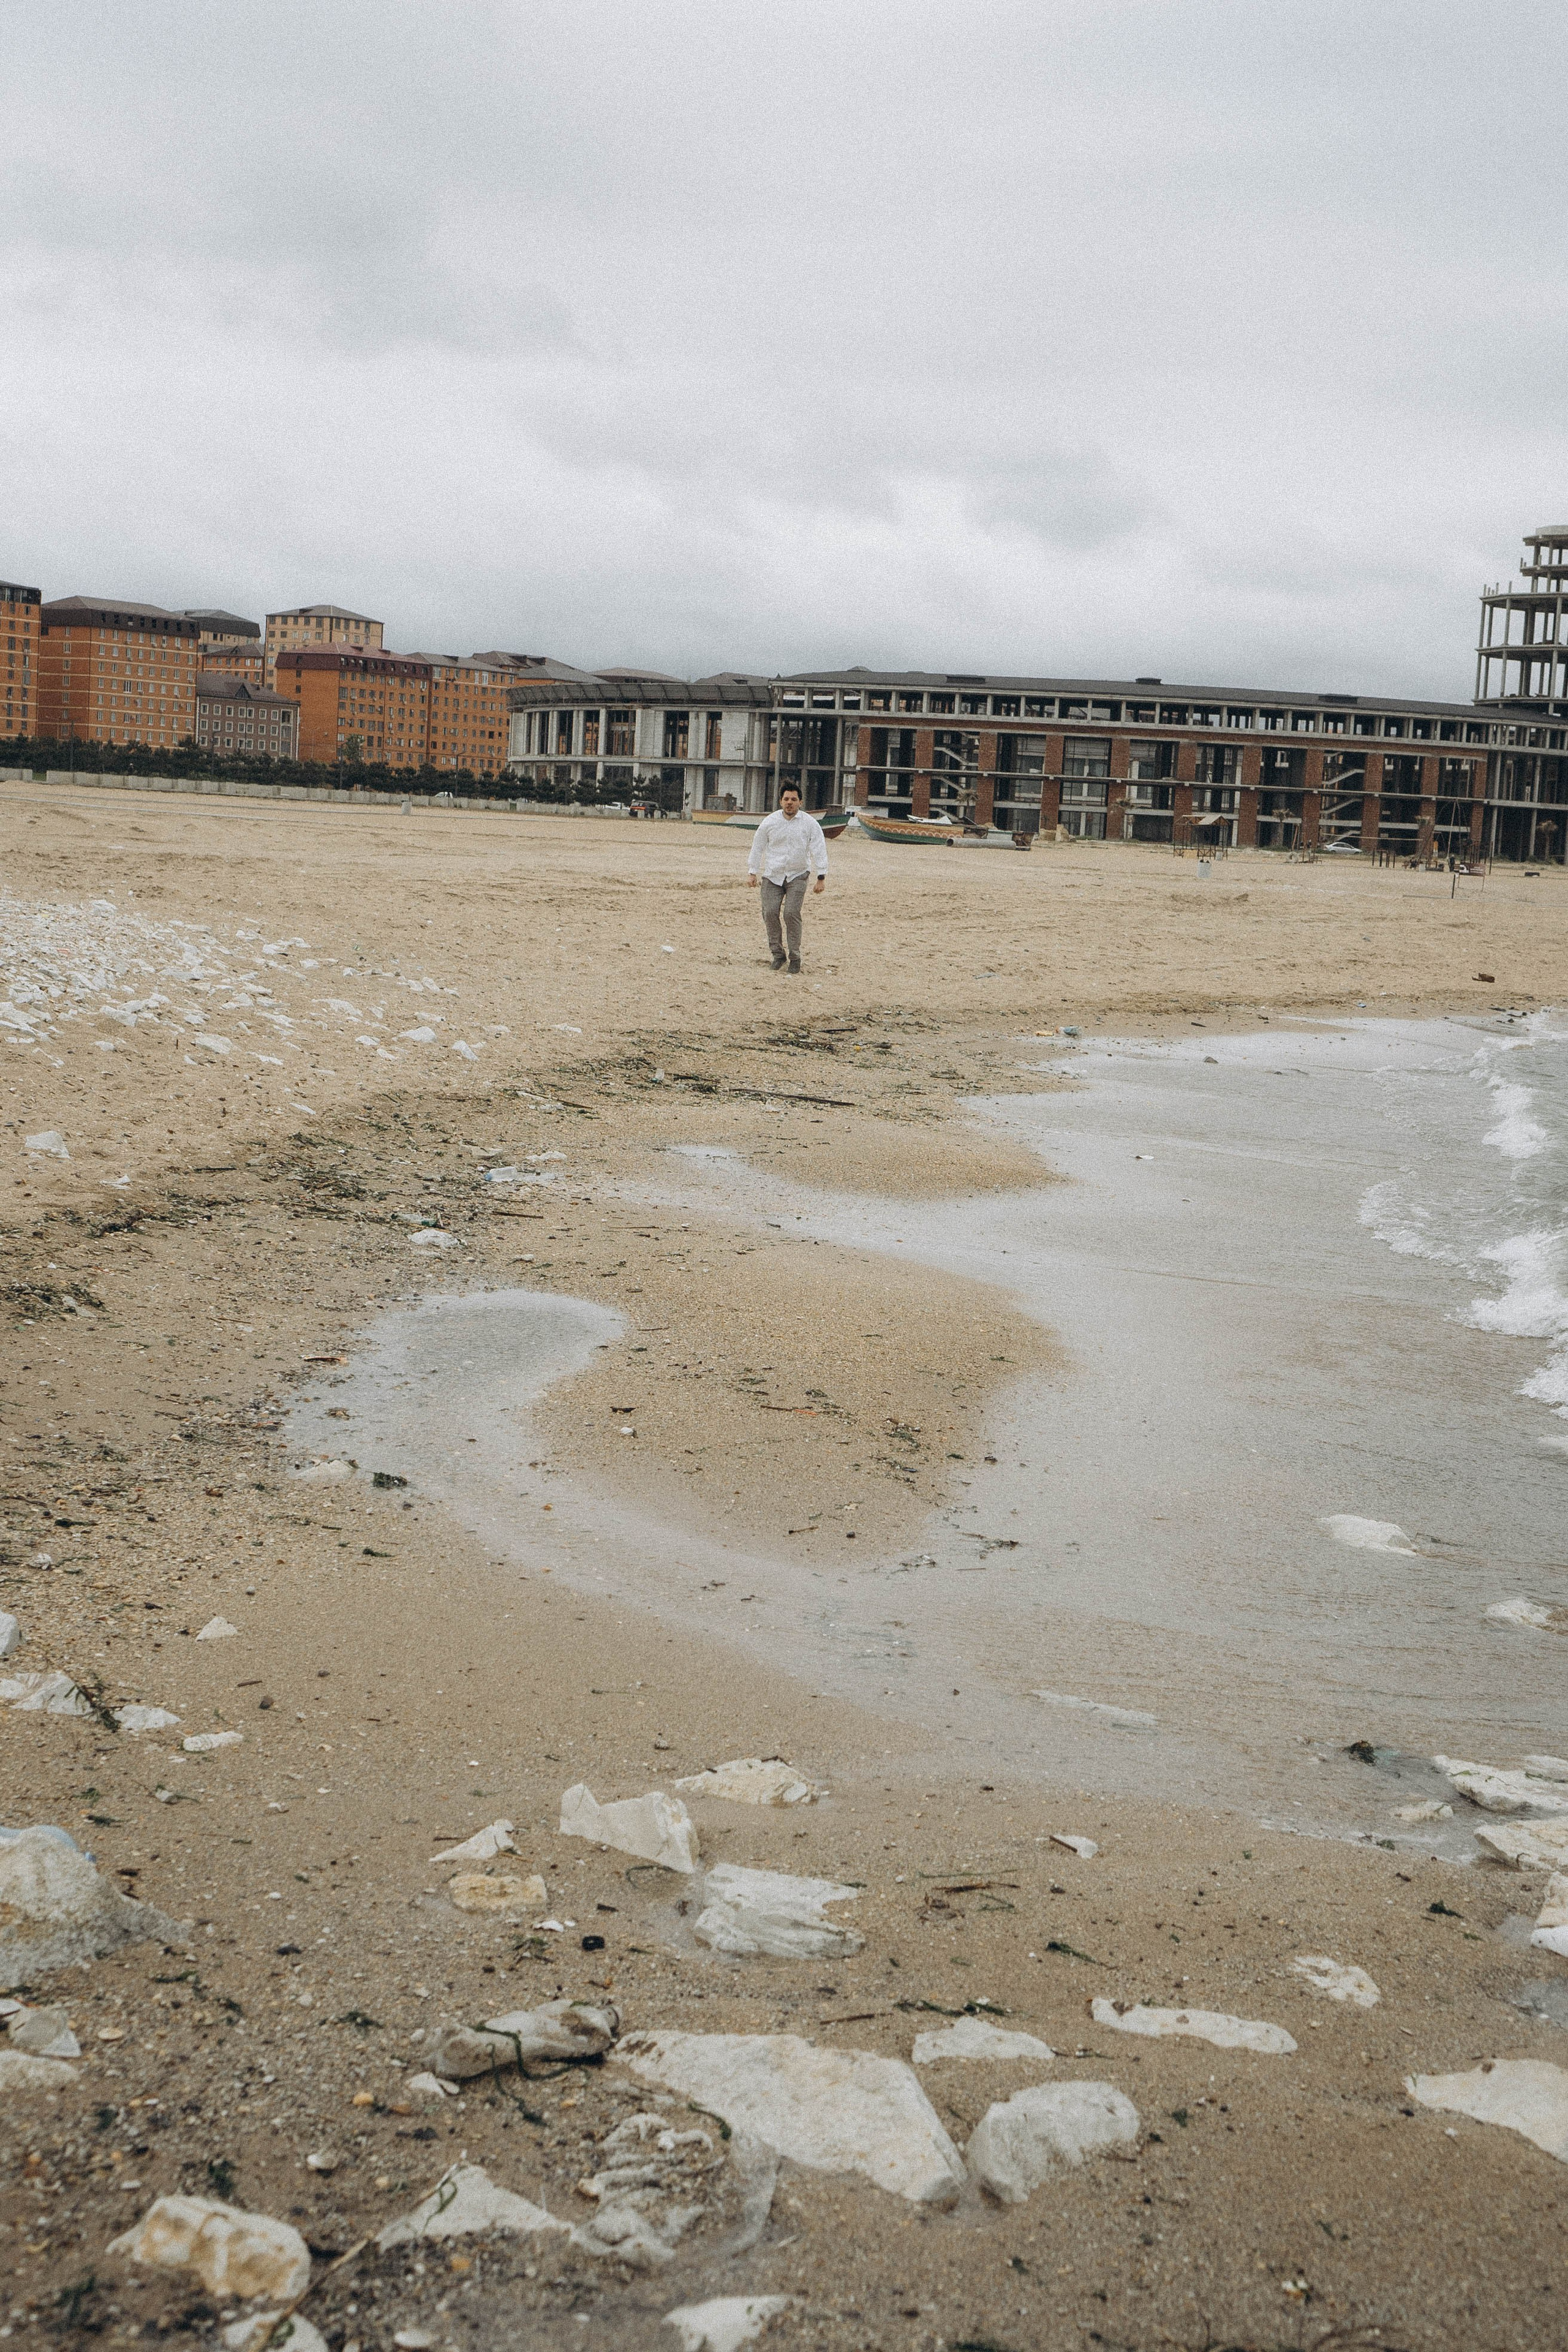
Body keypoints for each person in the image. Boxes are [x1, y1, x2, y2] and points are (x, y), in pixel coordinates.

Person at [747, 787, 827, 973]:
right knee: (769, 913)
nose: (789, 803)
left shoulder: (810, 824)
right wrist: (752, 872)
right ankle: (778, 954)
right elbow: (758, 846)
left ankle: (795, 957)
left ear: (800, 801)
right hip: (772, 875)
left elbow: (819, 848)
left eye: (793, 799)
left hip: (798, 875)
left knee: (791, 913)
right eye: (786, 799)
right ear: (780, 801)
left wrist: (821, 877)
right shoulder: (770, 822)